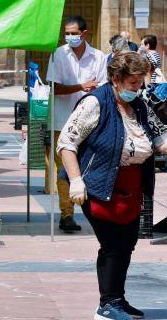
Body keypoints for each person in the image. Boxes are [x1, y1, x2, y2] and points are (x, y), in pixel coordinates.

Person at [57, 52, 167, 320]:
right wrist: (75, 180)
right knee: (112, 245)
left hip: (131, 188)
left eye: (139, 82)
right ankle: (107, 304)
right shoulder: (95, 103)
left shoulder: (139, 106)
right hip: (99, 186)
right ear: (116, 79)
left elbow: (161, 138)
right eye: (132, 83)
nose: (137, 88)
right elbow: (66, 143)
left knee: (127, 243)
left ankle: (118, 298)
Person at [47, 15, 108, 233]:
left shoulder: (99, 57)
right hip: (62, 120)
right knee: (64, 169)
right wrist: (80, 86)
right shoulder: (57, 55)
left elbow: (103, 87)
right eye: (67, 33)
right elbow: (53, 87)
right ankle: (67, 214)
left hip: (91, 122)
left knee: (91, 166)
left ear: (84, 34)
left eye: (74, 33)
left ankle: (95, 211)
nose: (69, 37)